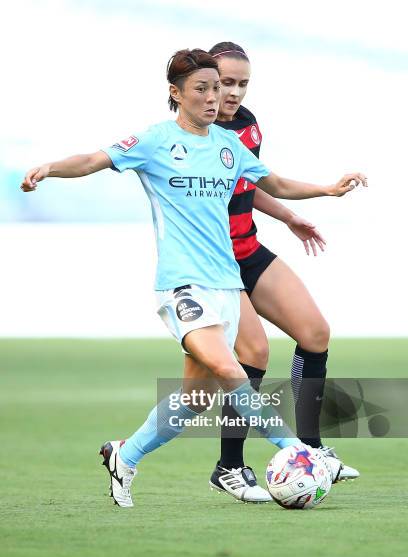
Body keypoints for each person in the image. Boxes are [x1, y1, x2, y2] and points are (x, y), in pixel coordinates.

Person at [21, 49, 366, 508]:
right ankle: (298, 452)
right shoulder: (155, 141)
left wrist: (326, 189)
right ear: (175, 93)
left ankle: (125, 454)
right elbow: (92, 159)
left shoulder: (229, 147)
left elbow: (275, 184)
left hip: (228, 284)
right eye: (202, 89)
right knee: (231, 369)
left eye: (217, 88)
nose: (214, 97)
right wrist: (49, 169)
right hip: (183, 285)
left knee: (194, 400)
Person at [206, 42, 362, 501]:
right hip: (213, 264)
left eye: (240, 83)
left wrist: (290, 214)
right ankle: (229, 466)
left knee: (315, 333)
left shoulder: (247, 126)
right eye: (223, 83)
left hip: (248, 249)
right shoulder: (190, 135)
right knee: (252, 355)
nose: (232, 92)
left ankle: (310, 451)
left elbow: (250, 183)